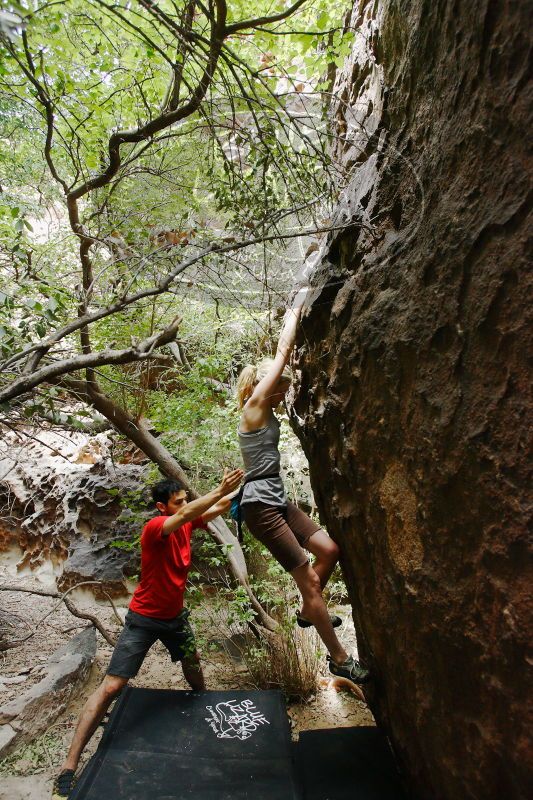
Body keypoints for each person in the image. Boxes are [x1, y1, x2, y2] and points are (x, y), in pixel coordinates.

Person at [52, 468, 243, 800]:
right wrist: (217, 488)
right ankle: (69, 766)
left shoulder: (184, 520)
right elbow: (190, 511)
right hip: (144, 618)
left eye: (184, 499)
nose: (184, 504)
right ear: (162, 508)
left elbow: (214, 509)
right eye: (178, 501)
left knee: (193, 663)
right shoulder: (156, 528)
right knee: (113, 685)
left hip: (175, 618)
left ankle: (204, 705)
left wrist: (241, 488)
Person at [236, 289, 369, 687]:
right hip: (260, 506)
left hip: (276, 500)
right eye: (280, 386)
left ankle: (309, 610)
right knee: (309, 579)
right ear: (263, 386)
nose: (284, 390)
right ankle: (340, 659)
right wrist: (295, 307)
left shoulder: (267, 408)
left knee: (329, 551)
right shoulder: (254, 406)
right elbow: (279, 356)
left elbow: (284, 365)